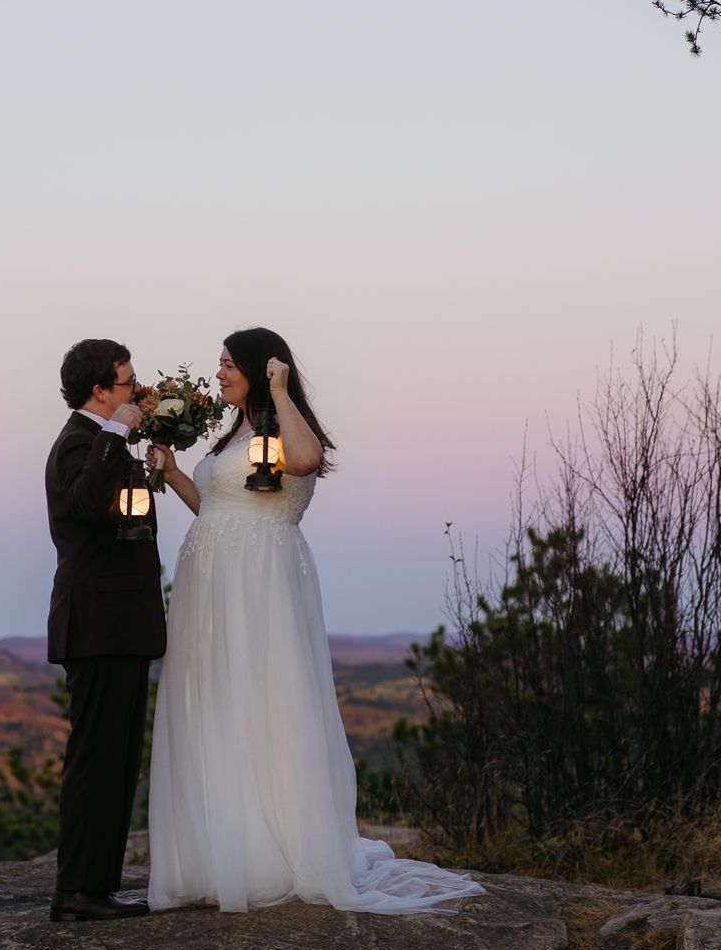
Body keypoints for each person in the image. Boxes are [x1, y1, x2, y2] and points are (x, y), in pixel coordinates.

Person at [145, 327, 484, 914]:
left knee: (264, 705)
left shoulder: (282, 427)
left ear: (259, 367)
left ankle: (271, 855)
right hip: (211, 587)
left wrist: (280, 390)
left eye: (228, 364)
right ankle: (218, 852)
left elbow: (305, 460)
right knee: (219, 707)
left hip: (260, 584)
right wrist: (174, 472)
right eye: (219, 364)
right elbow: (222, 508)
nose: (219, 374)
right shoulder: (238, 434)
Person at [43, 338, 162, 922]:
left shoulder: (104, 443)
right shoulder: (78, 444)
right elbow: (89, 504)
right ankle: (78, 892)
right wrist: (117, 433)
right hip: (96, 625)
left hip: (123, 626)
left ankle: (99, 887)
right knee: (95, 758)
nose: (137, 393)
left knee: (118, 759)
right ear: (100, 391)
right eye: (128, 383)